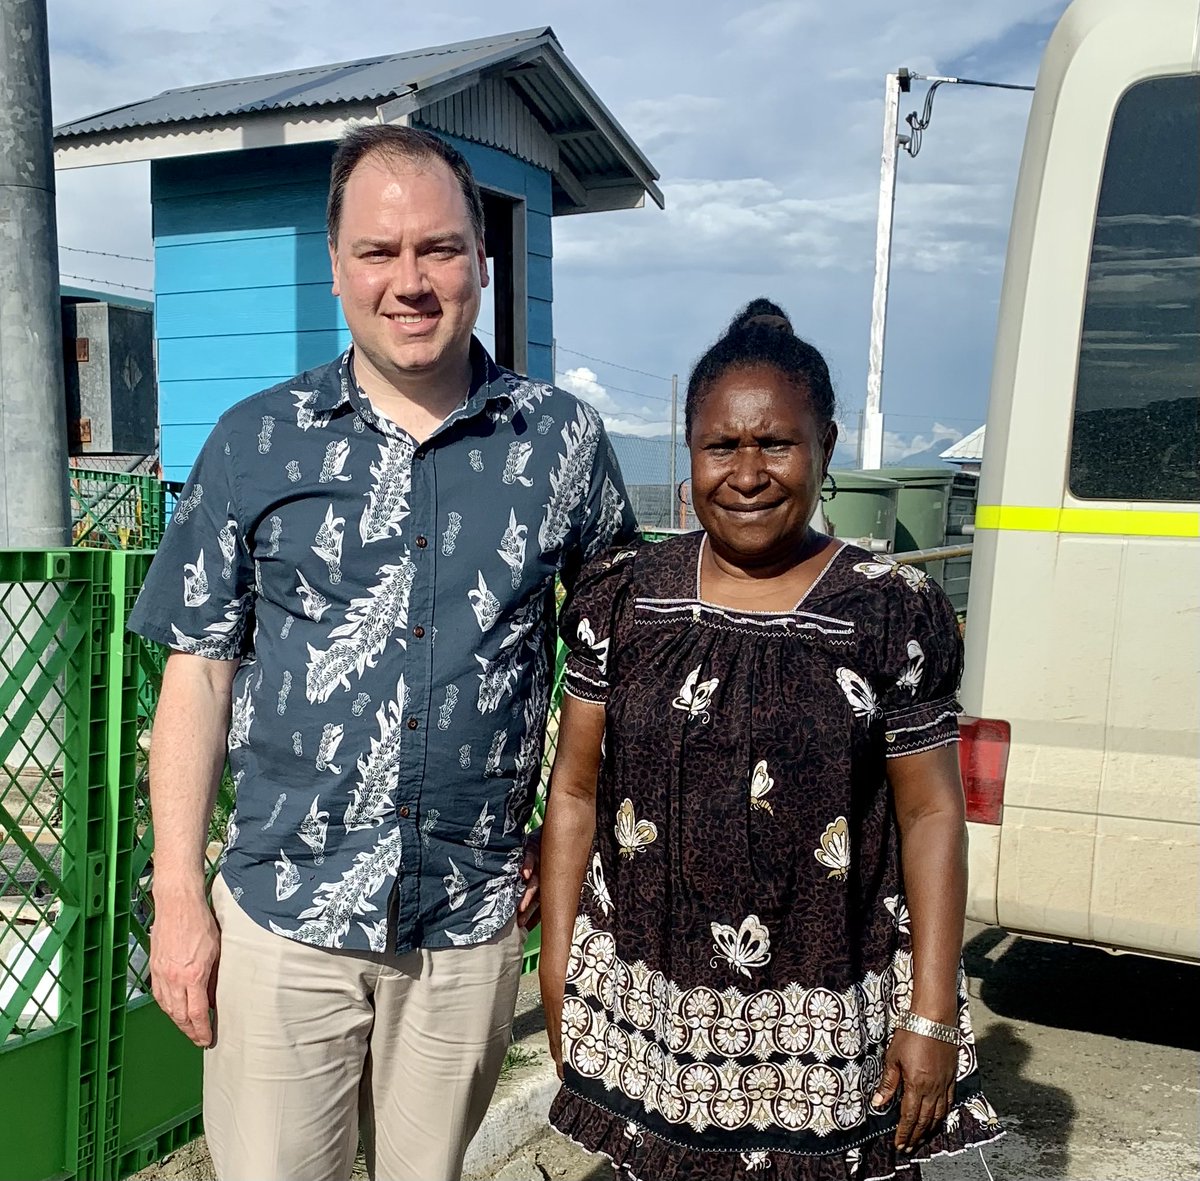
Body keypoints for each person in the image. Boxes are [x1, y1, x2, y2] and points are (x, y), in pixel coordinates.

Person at [128, 124, 636, 1181]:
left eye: (440, 249)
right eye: (380, 251)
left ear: (482, 262)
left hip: (468, 917)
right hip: (283, 912)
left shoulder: (562, 444)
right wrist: (179, 894)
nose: (411, 280)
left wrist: (565, 847)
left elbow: (613, 665)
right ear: (338, 265)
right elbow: (199, 674)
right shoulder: (256, 439)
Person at [539, 299, 1003, 1180]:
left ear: (824, 445)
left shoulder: (889, 609)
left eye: (776, 444)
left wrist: (933, 1015)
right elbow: (574, 791)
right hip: (651, 1012)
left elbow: (934, 813)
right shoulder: (626, 599)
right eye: (722, 446)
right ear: (690, 452)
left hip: (826, 1029)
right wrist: (557, 970)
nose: (746, 472)